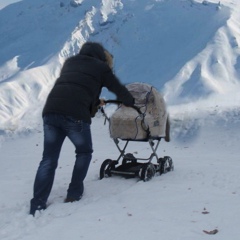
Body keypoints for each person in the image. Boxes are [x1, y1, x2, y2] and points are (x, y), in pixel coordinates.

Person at [30, 42, 135, 216]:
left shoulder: (70, 62)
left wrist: (95, 102)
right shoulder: (101, 67)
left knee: (48, 159)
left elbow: (75, 89)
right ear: (102, 57)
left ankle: (37, 204)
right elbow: (117, 88)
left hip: (51, 111)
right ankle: (74, 193)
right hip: (74, 115)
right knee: (84, 151)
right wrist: (129, 101)